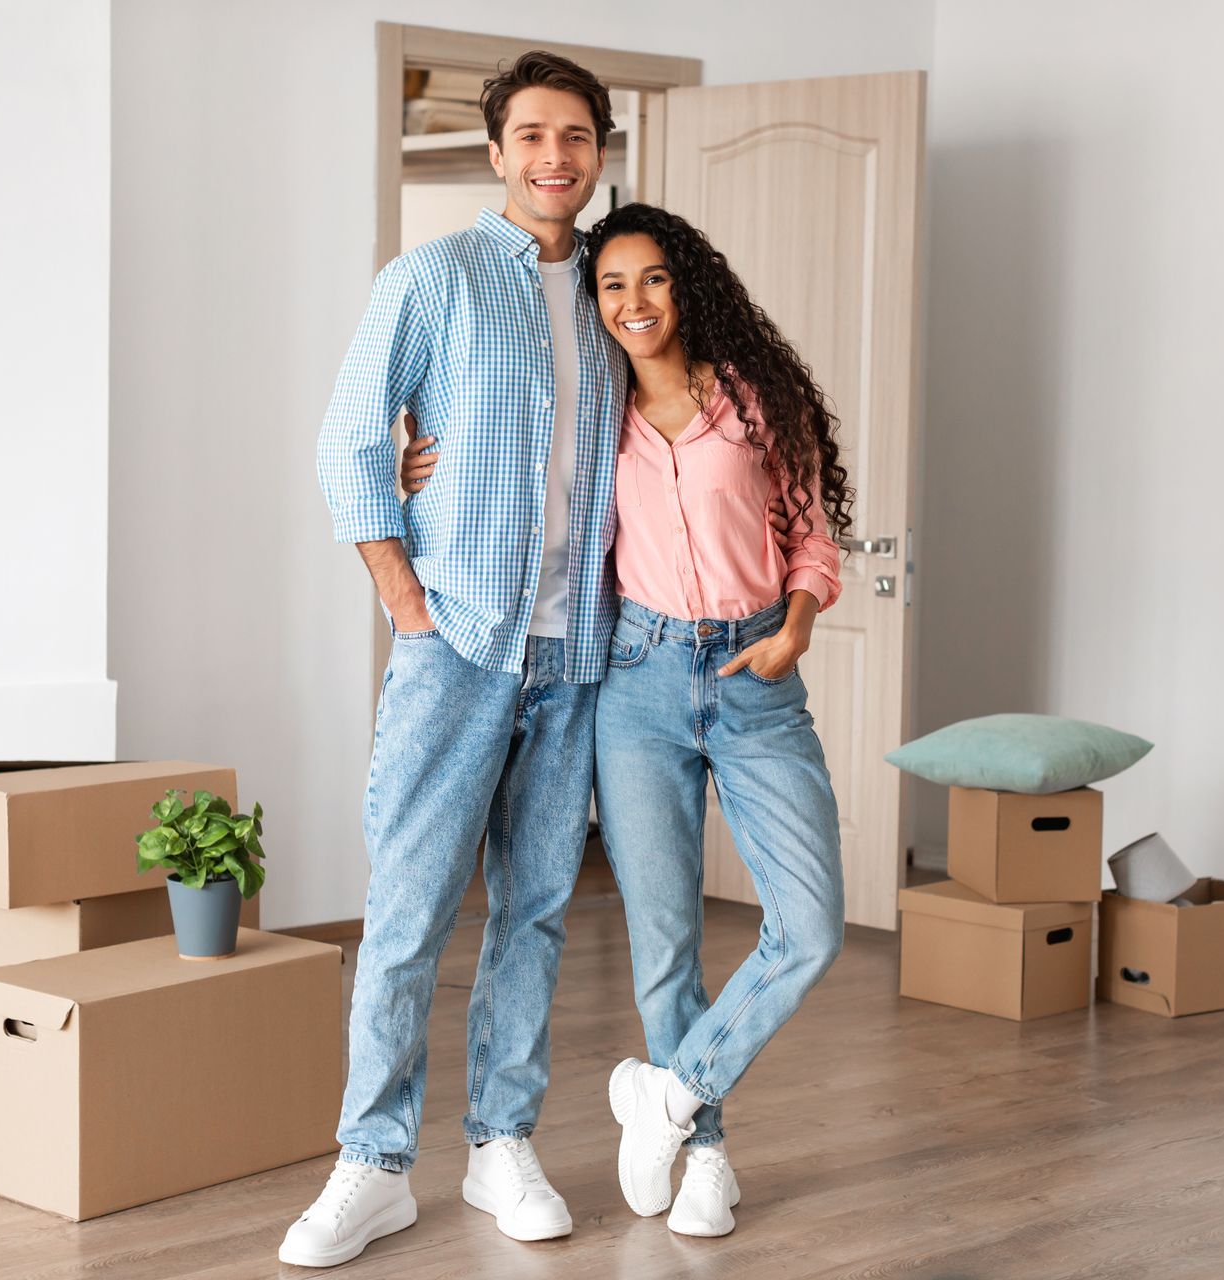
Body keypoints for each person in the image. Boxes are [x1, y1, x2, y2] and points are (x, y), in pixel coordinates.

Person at [402, 201, 852, 1239]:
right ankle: (706, 1159)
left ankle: (672, 1091)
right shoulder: (596, 411)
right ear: (595, 301)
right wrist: (413, 459)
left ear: (685, 285)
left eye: (653, 278)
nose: (633, 301)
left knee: (811, 925)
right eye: (611, 284)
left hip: (754, 674)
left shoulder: (754, 399)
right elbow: (508, 469)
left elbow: (812, 534)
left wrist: (797, 626)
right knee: (666, 941)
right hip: (637, 679)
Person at [283, 51, 626, 1268]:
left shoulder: (622, 293)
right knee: (408, 911)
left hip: (576, 652)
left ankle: (500, 1142)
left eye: (575, 135)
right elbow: (348, 441)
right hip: (458, 643)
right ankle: (373, 1163)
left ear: (599, 152)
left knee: (536, 911)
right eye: (531, 134)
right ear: (496, 153)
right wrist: (402, 595)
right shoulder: (431, 279)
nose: (554, 156)